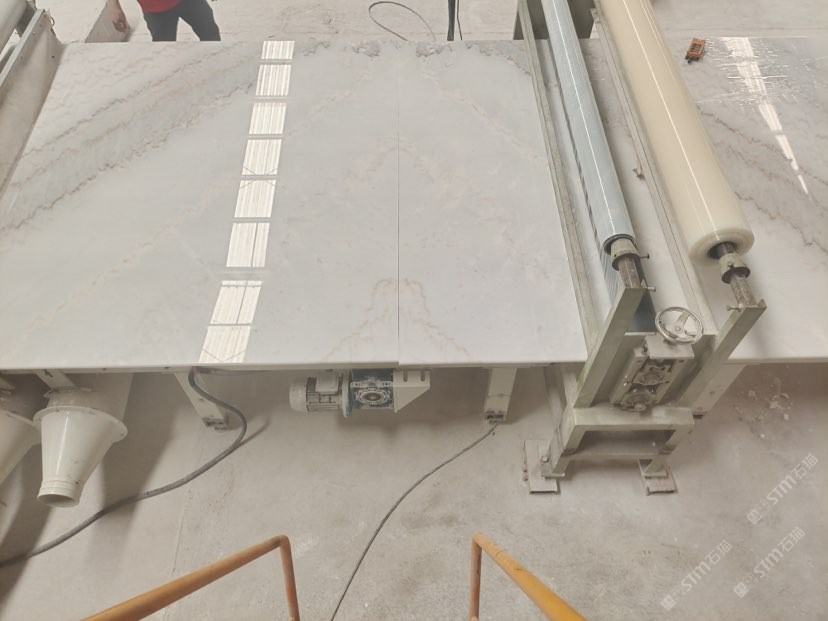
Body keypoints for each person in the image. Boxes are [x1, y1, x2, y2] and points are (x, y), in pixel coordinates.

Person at [108, 0, 221, 42]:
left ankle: (217, 66)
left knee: (210, 33)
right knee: (165, 48)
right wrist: (114, 6)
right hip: (155, 9)